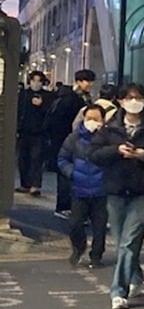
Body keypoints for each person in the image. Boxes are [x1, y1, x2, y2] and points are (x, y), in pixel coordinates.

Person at [89, 83, 144, 309]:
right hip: (116, 190)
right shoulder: (110, 128)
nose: (134, 101)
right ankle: (136, 276)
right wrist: (116, 150)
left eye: (138, 97)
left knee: (128, 242)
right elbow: (94, 155)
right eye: (129, 97)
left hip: (142, 191)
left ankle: (119, 291)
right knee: (122, 243)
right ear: (120, 101)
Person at [58, 104, 108, 269]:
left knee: (100, 227)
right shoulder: (74, 138)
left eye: (97, 119)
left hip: (101, 190)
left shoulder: (108, 138)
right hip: (79, 189)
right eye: (89, 118)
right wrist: (72, 173)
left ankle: (96, 256)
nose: (93, 122)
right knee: (75, 224)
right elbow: (62, 159)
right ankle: (79, 247)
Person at [45, 69, 96, 215]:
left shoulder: (82, 97)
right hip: (65, 140)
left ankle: (72, 206)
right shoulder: (70, 99)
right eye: (87, 81)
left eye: (91, 81)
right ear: (78, 81)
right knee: (65, 173)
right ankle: (63, 206)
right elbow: (59, 122)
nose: (89, 84)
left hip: (73, 140)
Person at [16, 71, 53, 196]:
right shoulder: (23, 94)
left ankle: (35, 185)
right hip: (24, 131)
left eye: (39, 81)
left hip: (39, 133)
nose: (36, 84)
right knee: (23, 158)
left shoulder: (47, 96)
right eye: (33, 80)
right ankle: (24, 184)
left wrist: (42, 105)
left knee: (36, 159)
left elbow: (50, 113)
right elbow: (18, 110)